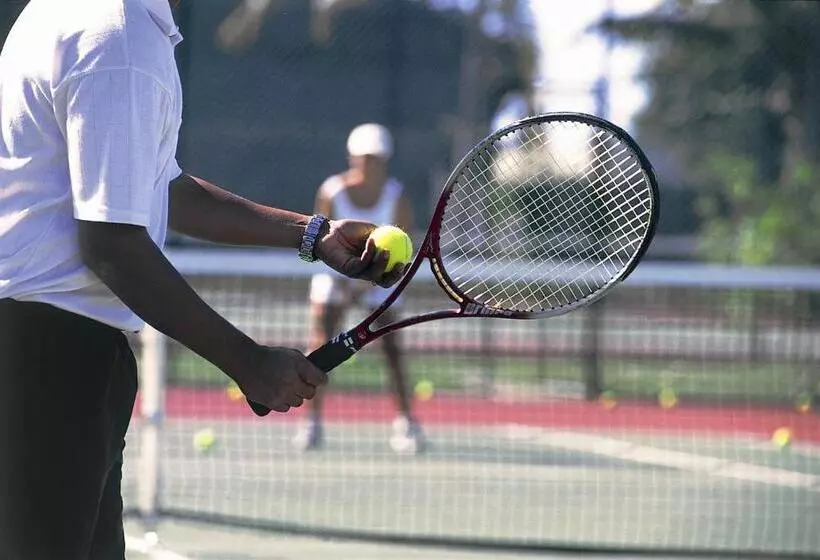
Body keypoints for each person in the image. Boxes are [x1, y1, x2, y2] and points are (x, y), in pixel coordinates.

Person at [0, 1, 403, 559]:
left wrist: (313, 233)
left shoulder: (87, 17)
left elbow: (158, 187)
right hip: (47, 361)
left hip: (54, 353)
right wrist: (250, 363)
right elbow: (112, 245)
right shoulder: (117, 36)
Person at [292, 123, 425, 455]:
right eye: (364, 158)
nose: (370, 165)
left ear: (385, 160)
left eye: (376, 158)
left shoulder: (397, 199)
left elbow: (401, 253)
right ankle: (311, 423)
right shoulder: (332, 192)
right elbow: (323, 243)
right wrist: (347, 285)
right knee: (320, 350)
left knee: (393, 352)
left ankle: (406, 424)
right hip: (333, 276)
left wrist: (367, 285)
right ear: (352, 158)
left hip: (381, 280)